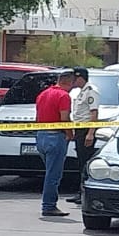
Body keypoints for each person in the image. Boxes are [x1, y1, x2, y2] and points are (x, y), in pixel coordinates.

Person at [34, 72, 73, 218]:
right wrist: (70, 133)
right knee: (53, 174)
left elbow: (37, 116)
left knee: (49, 172)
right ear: (68, 82)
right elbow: (64, 118)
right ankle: (49, 206)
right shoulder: (64, 96)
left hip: (41, 135)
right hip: (55, 137)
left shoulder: (43, 94)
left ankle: (49, 204)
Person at [66, 65, 98, 204]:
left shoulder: (91, 91)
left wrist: (90, 133)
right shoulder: (81, 92)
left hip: (86, 130)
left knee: (85, 163)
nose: (73, 81)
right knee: (80, 162)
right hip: (79, 130)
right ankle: (80, 192)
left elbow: (94, 113)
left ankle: (84, 193)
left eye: (75, 78)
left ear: (81, 78)